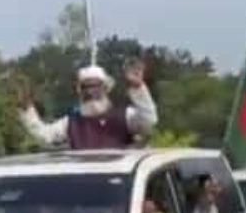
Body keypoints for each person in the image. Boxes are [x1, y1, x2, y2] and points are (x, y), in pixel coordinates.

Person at [18, 60, 158, 150]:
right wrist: (26, 109)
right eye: (85, 87)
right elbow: (45, 136)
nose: (90, 92)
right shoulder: (71, 122)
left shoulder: (125, 116)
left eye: (95, 86)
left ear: (105, 88)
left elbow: (149, 121)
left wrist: (138, 87)